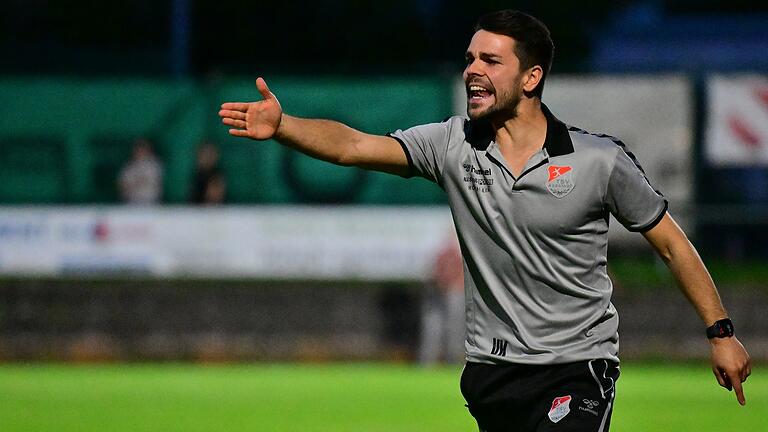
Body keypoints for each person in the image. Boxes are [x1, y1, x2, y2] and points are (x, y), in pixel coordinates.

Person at [219, 9, 751, 431]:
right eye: (470, 57)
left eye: (491, 60)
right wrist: (285, 125)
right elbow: (355, 146)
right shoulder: (452, 145)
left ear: (531, 77)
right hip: (491, 375)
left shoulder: (598, 160)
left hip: (577, 366)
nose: (473, 69)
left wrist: (720, 331)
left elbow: (672, 245)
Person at [419, 232, 465, 366]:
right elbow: (434, 273)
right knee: (434, 329)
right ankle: (428, 361)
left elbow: (461, 277)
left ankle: (454, 360)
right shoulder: (442, 254)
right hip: (439, 295)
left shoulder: (459, 255)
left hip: (455, 294)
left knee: (455, 330)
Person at [118, 138, 163, 204]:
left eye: (143, 149)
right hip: (131, 202)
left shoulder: (154, 165)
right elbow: (122, 185)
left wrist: (135, 183)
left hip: (151, 202)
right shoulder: (129, 167)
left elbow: (153, 182)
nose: (140, 151)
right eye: (138, 149)